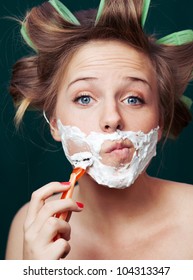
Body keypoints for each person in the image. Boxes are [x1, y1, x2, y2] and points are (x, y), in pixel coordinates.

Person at [5, 0, 193, 260]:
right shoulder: (30, 226)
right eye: (84, 98)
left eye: (133, 99)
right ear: (55, 124)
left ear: (159, 124)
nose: (112, 118)